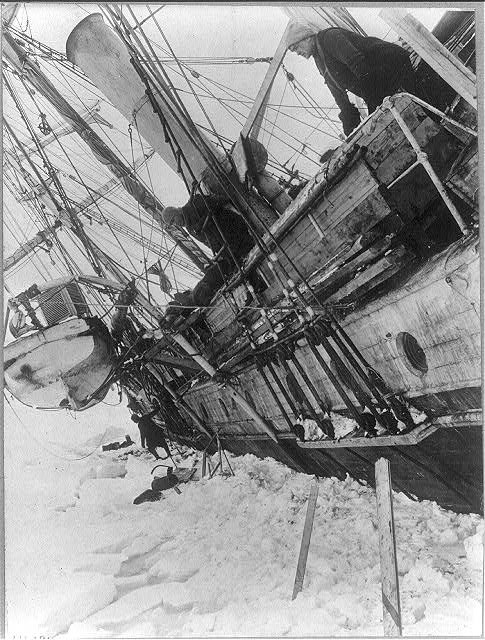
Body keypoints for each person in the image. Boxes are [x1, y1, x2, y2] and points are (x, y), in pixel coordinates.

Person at [287, 23, 416, 136]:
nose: (298, 53)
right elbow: (340, 98)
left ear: (308, 38)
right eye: (294, 51)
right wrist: (350, 133)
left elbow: (362, 69)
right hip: (380, 84)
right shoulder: (320, 62)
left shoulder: (330, 38)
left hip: (394, 66)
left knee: (424, 106)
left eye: (297, 47)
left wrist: (372, 114)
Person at [161, 193, 257, 316]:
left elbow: (221, 200)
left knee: (237, 263)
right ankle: (249, 292)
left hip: (236, 233)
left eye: (173, 220)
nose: (175, 224)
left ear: (176, 211)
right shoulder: (190, 229)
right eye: (172, 224)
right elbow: (210, 241)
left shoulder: (195, 204)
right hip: (227, 247)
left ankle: (253, 289)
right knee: (222, 270)